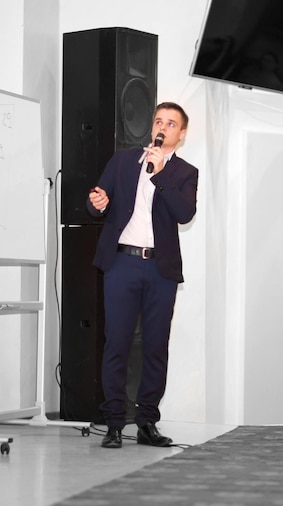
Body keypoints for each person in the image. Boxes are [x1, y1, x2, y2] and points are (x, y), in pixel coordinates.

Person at [86, 102, 199, 449]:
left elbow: (184, 213)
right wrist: (98, 202)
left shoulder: (184, 173)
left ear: (180, 134)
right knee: (116, 344)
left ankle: (147, 422)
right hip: (122, 263)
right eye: (158, 120)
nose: (163, 126)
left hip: (160, 270)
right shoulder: (121, 161)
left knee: (155, 348)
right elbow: (96, 201)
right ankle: (115, 423)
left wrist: (160, 172)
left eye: (171, 123)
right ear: (152, 127)